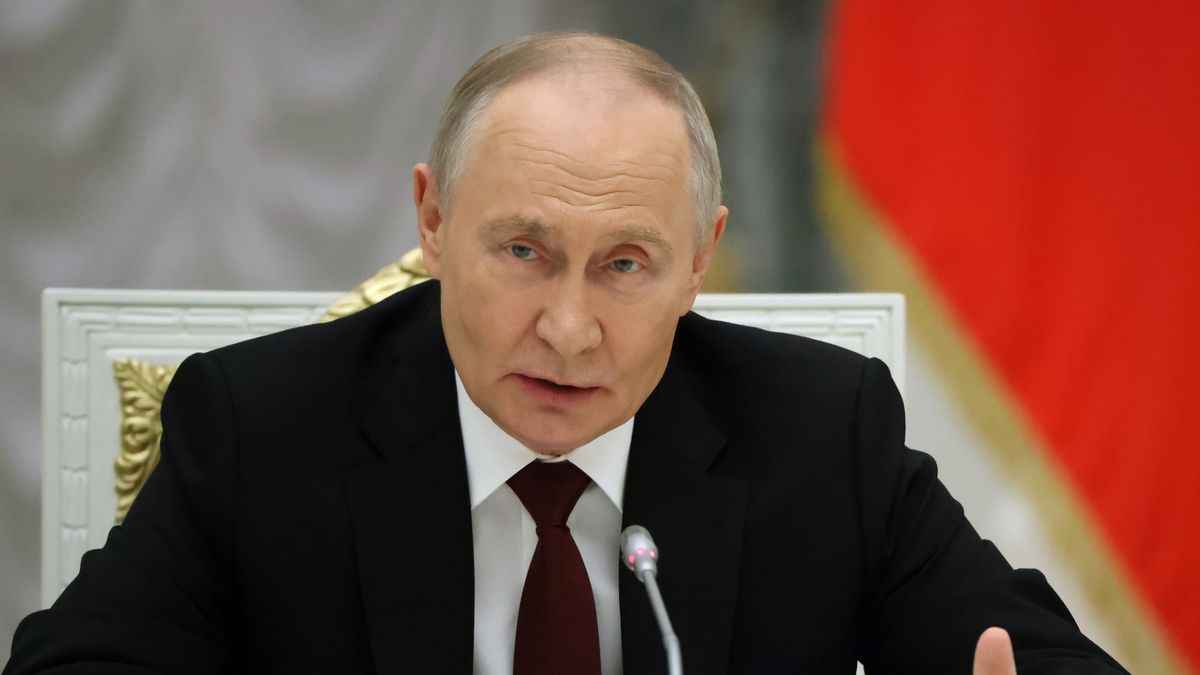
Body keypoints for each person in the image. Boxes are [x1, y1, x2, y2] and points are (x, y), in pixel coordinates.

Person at [5, 32, 1125, 675]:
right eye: (525, 251)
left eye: (626, 264)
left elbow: (1024, 660)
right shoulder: (263, 429)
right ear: (433, 224)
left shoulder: (820, 436)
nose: (571, 329)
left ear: (701, 261)